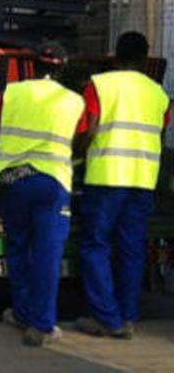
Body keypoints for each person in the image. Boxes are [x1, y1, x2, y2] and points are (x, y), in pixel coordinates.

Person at [0, 43, 84, 347]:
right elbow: (80, 135)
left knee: (17, 246)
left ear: (32, 65)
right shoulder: (73, 100)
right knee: (47, 251)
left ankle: (22, 312)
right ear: (61, 68)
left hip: (13, 180)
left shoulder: (12, 92)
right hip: (52, 181)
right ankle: (42, 324)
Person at [76, 32, 170, 339]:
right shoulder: (158, 93)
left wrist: (76, 153)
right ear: (145, 60)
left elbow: (89, 127)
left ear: (116, 55)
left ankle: (107, 317)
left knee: (96, 245)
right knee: (132, 248)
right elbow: (160, 131)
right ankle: (127, 316)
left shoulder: (101, 85)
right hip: (142, 179)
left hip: (106, 176)